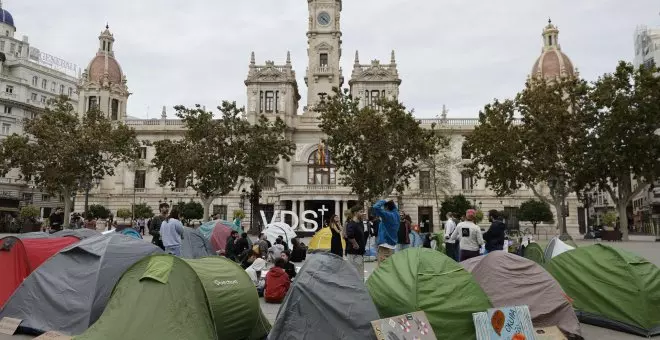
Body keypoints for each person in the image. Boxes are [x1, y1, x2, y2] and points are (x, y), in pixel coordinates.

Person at [372, 200, 400, 265]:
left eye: (384, 207)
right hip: (392, 246)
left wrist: (384, 200)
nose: (383, 209)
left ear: (387, 207)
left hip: (385, 246)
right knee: (389, 269)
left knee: (382, 269)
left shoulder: (388, 215)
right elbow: (394, 208)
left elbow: (376, 207)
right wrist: (391, 202)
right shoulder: (397, 214)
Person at [346, 208, 366, 281]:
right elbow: (350, 235)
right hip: (353, 254)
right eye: (361, 212)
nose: (363, 213)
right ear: (355, 213)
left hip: (360, 253)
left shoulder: (360, 223)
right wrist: (355, 243)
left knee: (360, 275)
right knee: (355, 275)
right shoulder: (351, 224)